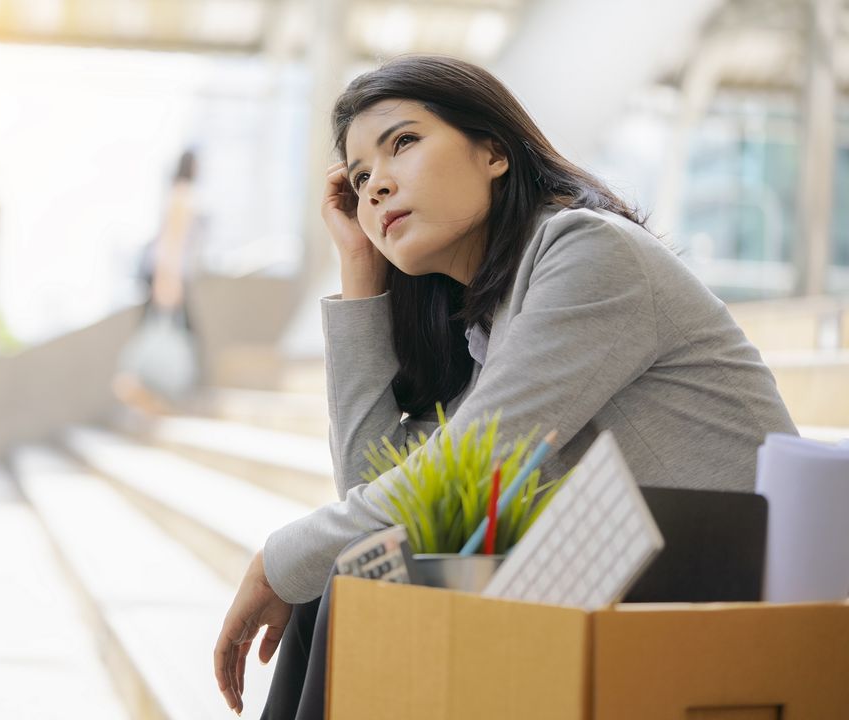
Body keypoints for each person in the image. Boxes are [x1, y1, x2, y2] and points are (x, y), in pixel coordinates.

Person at [212, 55, 797, 718]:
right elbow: (385, 501)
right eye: (359, 178)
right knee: (346, 581)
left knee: (336, 583)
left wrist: (275, 560)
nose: (375, 188)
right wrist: (358, 271)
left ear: (492, 151)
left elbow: (452, 477)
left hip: (726, 613)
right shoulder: (487, 326)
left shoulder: (587, 250)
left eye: (402, 143)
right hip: (626, 600)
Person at [113, 149, 202, 415]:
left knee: (169, 336)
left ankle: (153, 397)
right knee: (175, 338)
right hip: (168, 276)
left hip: (164, 275)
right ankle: (137, 386)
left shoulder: (174, 194)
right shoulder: (182, 195)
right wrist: (168, 283)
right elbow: (172, 243)